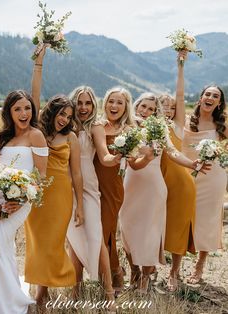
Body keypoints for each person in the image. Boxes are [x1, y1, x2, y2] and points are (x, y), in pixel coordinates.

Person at [119, 92, 210, 294]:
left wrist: (192, 163)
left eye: (151, 109)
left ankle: (144, 278)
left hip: (153, 186)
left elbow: (173, 152)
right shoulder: (126, 127)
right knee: (127, 231)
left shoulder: (159, 129)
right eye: (143, 106)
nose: (146, 111)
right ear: (136, 106)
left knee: (151, 233)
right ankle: (133, 271)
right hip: (130, 185)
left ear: (156, 113)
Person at [24, 48, 84, 305]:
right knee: (36, 242)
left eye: (69, 117)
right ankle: (41, 290)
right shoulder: (36, 129)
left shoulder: (71, 137)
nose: (65, 119)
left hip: (60, 195)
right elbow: (33, 96)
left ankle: (42, 293)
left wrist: (80, 204)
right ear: (52, 111)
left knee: (53, 243)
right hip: (35, 193)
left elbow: (77, 174)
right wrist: (39, 63)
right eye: (62, 114)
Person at [0, 90, 48, 314]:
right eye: (18, 109)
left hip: (20, 201)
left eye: (27, 108)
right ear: (9, 112)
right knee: (3, 248)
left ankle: (9, 305)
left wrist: (21, 198)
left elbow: (41, 176)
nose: (24, 113)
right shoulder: (3, 137)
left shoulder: (36, 135)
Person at [66, 86, 121, 302]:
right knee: (73, 240)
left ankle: (108, 294)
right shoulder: (65, 124)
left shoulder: (96, 126)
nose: (83, 107)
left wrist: (115, 158)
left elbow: (104, 155)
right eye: (79, 103)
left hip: (89, 188)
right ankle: (75, 292)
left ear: (93, 105)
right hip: (66, 187)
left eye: (88, 103)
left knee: (96, 238)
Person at [182, 84, 228, 284]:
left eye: (215, 96)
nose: (210, 97)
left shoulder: (223, 125)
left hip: (213, 176)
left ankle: (200, 264)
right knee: (181, 215)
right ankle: (176, 258)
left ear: (219, 103)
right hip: (186, 174)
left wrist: (222, 157)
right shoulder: (184, 121)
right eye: (207, 94)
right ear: (200, 98)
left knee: (208, 219)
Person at [159, 51, 196, 291]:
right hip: (155, 184)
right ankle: (146, 272)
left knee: (178, 228)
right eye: (163, 105)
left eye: (172, 107)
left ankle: (174, 272)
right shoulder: (146, 126)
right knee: (155, 228)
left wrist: (180, 66)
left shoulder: (176, 126)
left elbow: (181, 95)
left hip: (181, 183)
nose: (169, 109)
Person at [94, 86, 135, 292]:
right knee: (96, 232)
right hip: (93, 184)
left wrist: (147, 154)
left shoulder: (129, 131)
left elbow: (134, 162)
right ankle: (111, 274)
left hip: (114, 187)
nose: (114, 105)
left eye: (120, 102)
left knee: (106, 231)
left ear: (126, 106)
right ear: (105, 103)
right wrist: (114, 156)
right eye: (111, 101)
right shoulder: (98, 126)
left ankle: (113, 276)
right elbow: (103, 156)